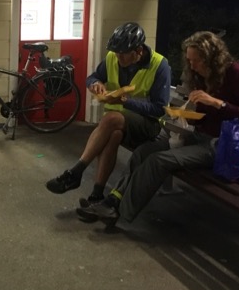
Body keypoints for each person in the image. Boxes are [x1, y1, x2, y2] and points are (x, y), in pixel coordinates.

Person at [77, 31, 239, 226]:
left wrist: (218, 103)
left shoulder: (236, 73)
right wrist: (184, 114)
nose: (192, 66)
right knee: (143, 152)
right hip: (197, 135)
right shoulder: (199, 75)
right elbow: (203, 116)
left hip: (222, 144)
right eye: (189, 60)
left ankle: (117, 212)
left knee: (158, 160)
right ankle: (112, 200)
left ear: (212, 58)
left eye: (196, 61)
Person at [45, 22, 170, 203]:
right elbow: (92, 77)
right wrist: (95, 84)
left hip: (148, 125)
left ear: (139, 50)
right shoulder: (113, 57)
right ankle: (96, 195)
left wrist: (125, 101)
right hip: (117, 123)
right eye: (116, 53)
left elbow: (159, 109)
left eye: (123, 54)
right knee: (114, 135)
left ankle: (76, 172)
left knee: (111, 119)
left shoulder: (159, 65)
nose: (118, 58)